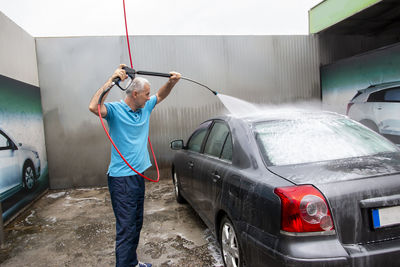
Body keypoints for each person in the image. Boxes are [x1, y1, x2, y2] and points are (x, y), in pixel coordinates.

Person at [89, 64, 181, 267]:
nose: (149, 98)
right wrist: (112, 80)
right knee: (126, 229)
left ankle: (132, 263)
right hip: (122, 180)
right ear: (136, 93)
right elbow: (93, 106)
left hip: (138, 176)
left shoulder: (145, 107)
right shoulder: (114, 110)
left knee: (136, 224)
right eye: (146, 94)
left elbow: (160, 95)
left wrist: (171, 83)